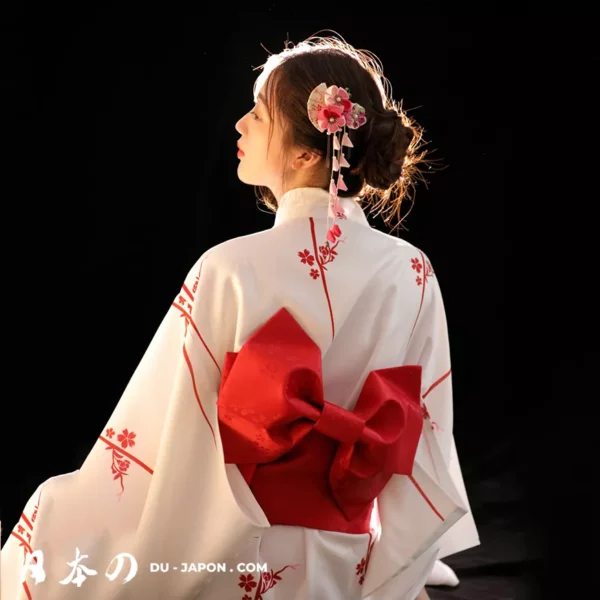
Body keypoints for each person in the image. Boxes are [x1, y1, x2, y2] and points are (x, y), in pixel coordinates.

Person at [1, 34, 478, 599]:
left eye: (258, 112)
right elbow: (426, 435)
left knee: (59, 519)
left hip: (244, 557)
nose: (240, 125)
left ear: (305, 152)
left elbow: (175, 436)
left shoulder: (228, 268)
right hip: (346, 561)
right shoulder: (414, 271)